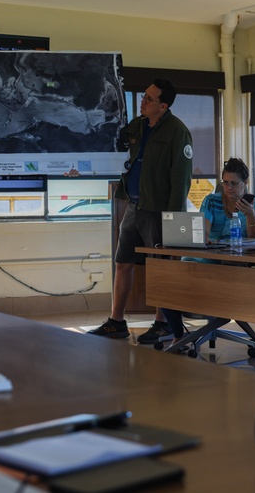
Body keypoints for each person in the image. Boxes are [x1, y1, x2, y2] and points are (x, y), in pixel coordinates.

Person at [88, 79, 193, 343]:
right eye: (144, 96)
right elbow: (109, 146)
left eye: (149, 99)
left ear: (163, 106)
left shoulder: (178, 132)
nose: (143, 101)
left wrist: (173, 219)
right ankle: (116, 322)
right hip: (134, 205)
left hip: (160, 211)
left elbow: (181, 180)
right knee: (123, 263)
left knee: (160, 268)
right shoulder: (137, 125)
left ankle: (163, 324)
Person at [159, 158, 255, 340]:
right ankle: (178, 335)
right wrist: (205, 238)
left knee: (192, 282)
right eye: (225, 183)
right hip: (205, 259)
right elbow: (204, 230)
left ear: (245, 183)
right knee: (163, 283)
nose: (229, 187)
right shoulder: (211, 200)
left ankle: (190, 328)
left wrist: (250, 216)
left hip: (234, 264)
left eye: (234, 183)